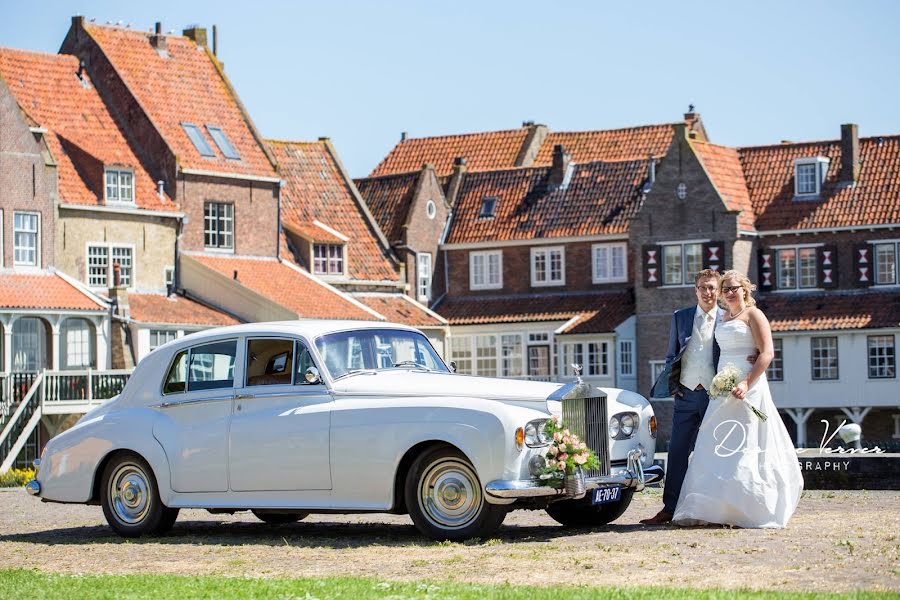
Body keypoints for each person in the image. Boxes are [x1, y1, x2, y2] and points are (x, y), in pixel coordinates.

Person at [672, 270, 803, 528]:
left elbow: (766, 353)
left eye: (734, 288)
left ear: (745, 289)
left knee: (747, 443)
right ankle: (715, 509)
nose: (730, 292)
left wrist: (745, 381)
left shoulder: (755, 314)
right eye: (726, 289)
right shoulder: (723, 317)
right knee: (714, 444)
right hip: (721, 387)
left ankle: (749, 508)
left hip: (748, 385)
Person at [641, 269, 724, 525]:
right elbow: (671, 355)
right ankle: (670, 508)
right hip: (686, 395)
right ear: (695, 290)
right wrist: (675, 385)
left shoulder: (729, 317)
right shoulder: (680, 317)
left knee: (716, 453)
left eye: (712, 287)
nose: (707, 292)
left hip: (716, 397)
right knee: (676, 452)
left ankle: (716, 508)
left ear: (718, 291)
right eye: (703, 287)